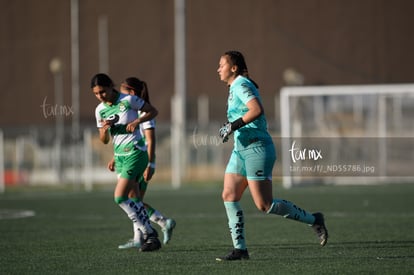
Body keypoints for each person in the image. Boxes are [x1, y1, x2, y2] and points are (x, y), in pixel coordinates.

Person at [215, 51, 328, 261]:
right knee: (229, 195)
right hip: (241, 149)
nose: (218, 69)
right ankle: (240, 250)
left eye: (222, 65)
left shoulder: (241, 84)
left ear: (234, 68)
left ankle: (314, 219)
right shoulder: (234, 87)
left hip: (257, 149)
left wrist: (233, 125)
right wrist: (231, 128)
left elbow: (256, 109)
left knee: (264, 204)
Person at [91, 73, 161, 252]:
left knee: (119, 197)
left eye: (103, 92)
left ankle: (149, 231)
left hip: (136, 153)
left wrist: (138, 120)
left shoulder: (128, 100)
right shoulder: (100, 110)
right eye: (96, 93)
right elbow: (104, 140)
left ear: (110, 86)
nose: (100, 96)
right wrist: (105, 130)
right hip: (120, 157)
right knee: (134, 198)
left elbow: (153, 111)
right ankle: (149, 238)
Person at [108, 77, 176, 248]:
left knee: (132, 199)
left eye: (123, 91)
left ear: (131, 93)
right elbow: (124, 138)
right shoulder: (129, 110)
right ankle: (143, 236)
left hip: (138, 158)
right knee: (134, 200)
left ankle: (161, 222)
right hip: (128, 157)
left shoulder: (141, 112)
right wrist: (115, 157)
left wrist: (151, 164)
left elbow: (151, 140)